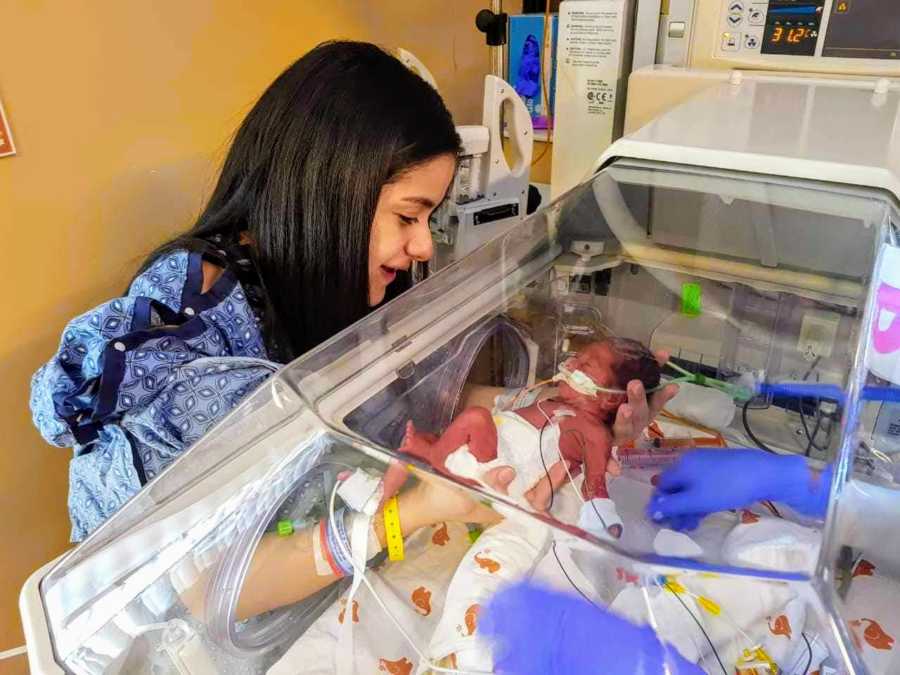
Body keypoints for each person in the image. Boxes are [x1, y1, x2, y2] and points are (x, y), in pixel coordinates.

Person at [28, 39, 674, 577]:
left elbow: (397, 401)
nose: (422, 243)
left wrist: (553, 407)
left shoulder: (315, 284)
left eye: (430, 216)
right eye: (407, 215)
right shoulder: (195, 341)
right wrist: (411, 515)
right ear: (326, 193)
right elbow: (205, 587)